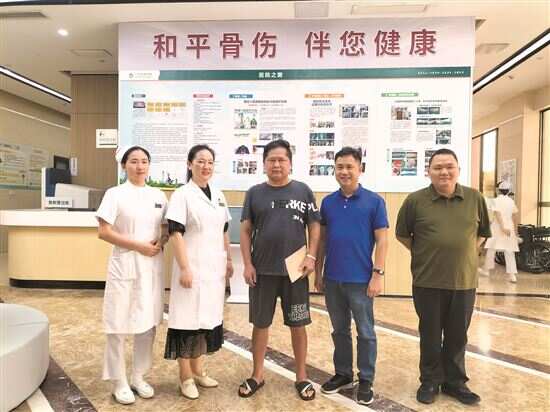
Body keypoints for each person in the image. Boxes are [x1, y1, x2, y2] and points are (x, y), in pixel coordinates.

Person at [396, 148, 491, 406]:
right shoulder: (415, 201)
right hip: (427, 281)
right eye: (437, 167)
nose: (444, 172)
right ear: (428, 171)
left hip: (463, 282)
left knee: (458, 335)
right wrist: (427, 252)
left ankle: (455, 382)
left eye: (449, 166)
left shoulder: (474, 198)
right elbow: (403, 235)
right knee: (429, 334)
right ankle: (429, 381)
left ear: (458, 170)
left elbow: (482, 233)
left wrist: (465, 251)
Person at [238, 139, 321, 401]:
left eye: (281, 159)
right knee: (260, 324)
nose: (276, 164)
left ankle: (301, 376)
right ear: (264, 164)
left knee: (298, 324)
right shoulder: (254, 193)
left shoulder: (303, 191)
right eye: (271, 160)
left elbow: (314, 226)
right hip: (262, 271)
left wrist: (311, 256)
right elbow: (245, 230)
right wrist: (247, 264)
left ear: (290, 163)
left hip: (295, 271)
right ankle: (257, 375)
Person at [315, 147, 388, 406]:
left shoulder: (374, 201)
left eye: (349, 166)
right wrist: (319, 272)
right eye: (340, 167)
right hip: (333, 278)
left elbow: (383, 240)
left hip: (361, 280)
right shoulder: (328, 203)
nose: (344, 171)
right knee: (339, 330)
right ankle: (343, 374)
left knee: (365, 331)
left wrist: (378, 274)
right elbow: (322, 240)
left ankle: (366, 379)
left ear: (360, 169)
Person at [97, 145, 168, 405]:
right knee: (117, 324)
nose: (140, 166)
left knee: (147, 323)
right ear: (124, 165)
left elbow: (165, 227)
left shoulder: (158, 195)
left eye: (144, 161)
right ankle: (119, 381)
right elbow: (104, 232)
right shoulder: (115, 194)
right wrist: (139, 246)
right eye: (134, 161)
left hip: (150, 266)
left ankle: (139, 376)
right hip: (125, 265)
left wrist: (161, 240)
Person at [164, 144, 233, 399]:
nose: (206, 166)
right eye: (200, 161)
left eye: (210, 162)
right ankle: (185, 377)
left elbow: (223, 230)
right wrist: (184, 267)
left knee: (206, 321)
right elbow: (175, 233)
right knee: (186, 323)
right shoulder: (182, 195)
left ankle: (199, 371)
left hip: (213, 271)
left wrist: (228, 260)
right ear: (189, 164)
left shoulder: (218, 194)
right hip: (191, 268)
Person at [479, 181, 519, 283]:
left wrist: (502, 227)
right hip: (509, 226)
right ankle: (512, 275)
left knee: (491, 249)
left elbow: (498, 214)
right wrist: (515, 231)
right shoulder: (511, 201)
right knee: (509, 251)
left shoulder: (495, 201)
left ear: (498, 190)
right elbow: (515, 216)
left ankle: (486, 270)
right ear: (508, 191)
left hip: (497, 227)